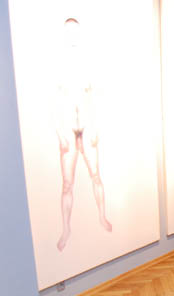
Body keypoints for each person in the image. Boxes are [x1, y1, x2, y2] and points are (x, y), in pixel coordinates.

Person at [56, 17, 112, 251]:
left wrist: (96, 127)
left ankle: (102, 216)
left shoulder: (88, 64)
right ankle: (66, 228)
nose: (72, 36)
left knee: (96, 175)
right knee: (67, 183)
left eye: (75, 31)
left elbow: (95, 98)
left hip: (87, 125)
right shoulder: (58, 65)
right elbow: (54, 102)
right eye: (68, 31)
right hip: (68, 127)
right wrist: (60, 132)